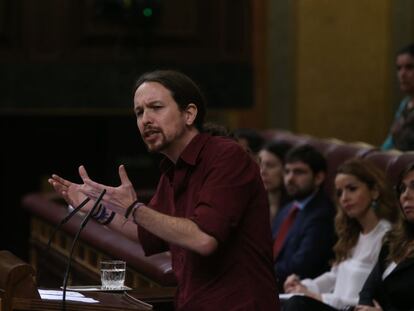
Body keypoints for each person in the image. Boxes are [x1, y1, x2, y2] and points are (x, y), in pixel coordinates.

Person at [48, 70, 280, 311]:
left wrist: (133, 208)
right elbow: (147, 234)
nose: (145, 120)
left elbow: (203, 239)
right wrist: (97, 210)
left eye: (156, 107)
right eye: (139, 112)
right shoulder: (172, 169)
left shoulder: (226, 157)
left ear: (189, 114)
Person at [282, 158, 397, 310]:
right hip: (333, 306)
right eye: (339, 192)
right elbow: (335, 277)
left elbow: (366, 300)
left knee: (296, 305)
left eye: (352, 189)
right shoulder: (352, 234)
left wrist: (317, 297)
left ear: (374, 191)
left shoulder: (386, 237)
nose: (344, 198)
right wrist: (302, 285)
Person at [272, 144, 336, 291]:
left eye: (298, 172)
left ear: (319, 177)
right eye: (287, 171)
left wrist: (259, 272)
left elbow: (301, 266)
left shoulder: (322, 215)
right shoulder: (289, 207)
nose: (289, 178)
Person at [355, 162, 414, 311]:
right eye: (402, 189)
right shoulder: (394, 239)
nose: (406, 195)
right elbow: (367, 291)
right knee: (298, 303)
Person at [382, 43, 414, 151]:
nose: (402, 74)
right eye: (399, 68)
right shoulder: (405, 104)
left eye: (409, 67)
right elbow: (390, 142)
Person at [258, 140, 292, 223]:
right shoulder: (249, 202)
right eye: (259, 165)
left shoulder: (295, 208)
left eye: (270, 165)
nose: (262, 172)